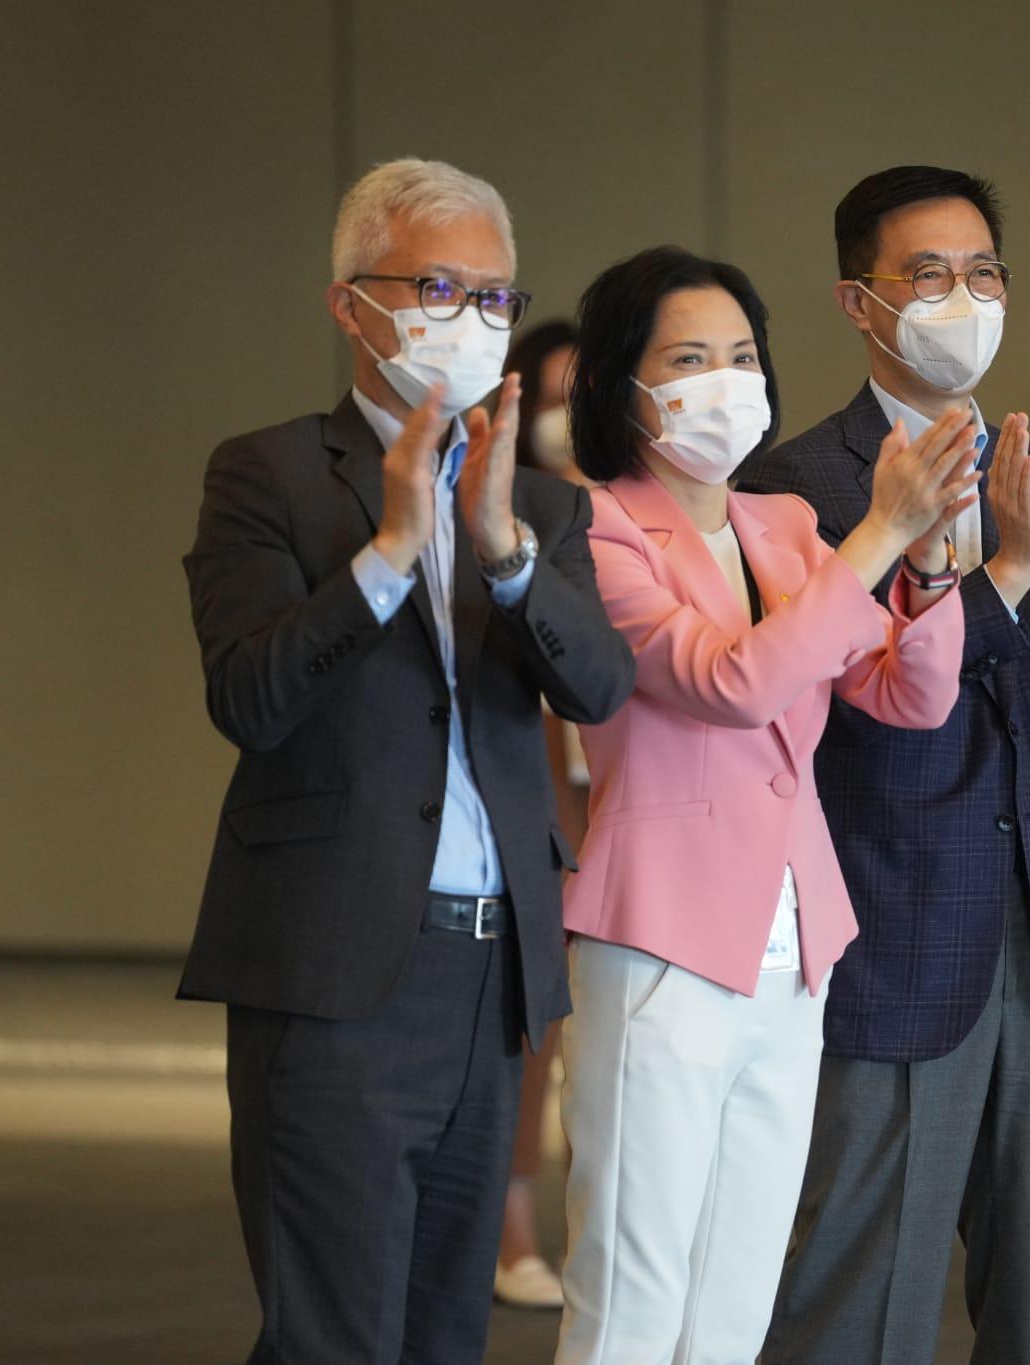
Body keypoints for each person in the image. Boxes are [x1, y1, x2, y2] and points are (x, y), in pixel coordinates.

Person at [178, 158, 635, 1364]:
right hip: (334, 970)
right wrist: (388, 551)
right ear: (350, 303)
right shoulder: (267, 473)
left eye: (494, 298)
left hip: (492, 975)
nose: (473, 320)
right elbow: (252, 697)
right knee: (334, 1331)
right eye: (438, 286)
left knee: (446, 1330)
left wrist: (502, 548)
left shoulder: (540, 501)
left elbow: (599, 688)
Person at [736, 164, 1030, 1365]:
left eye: (980, 273)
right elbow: (872, 712)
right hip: (893, 920)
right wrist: (1000, 581)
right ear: (856, 302)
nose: (961, 297)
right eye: (926, 274)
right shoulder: (794, 491)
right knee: (861, 1297)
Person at [552, 246, 971, 1364]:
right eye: (690, 359)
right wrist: (878, 534)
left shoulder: (781, 525)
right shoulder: (592, 531)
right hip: (660, 942)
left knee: (735, 1301)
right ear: (616, 386)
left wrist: (926, 570)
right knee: (631, 1295)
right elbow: (729, 683)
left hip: (795, 944)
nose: (726, 381)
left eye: (741, 356)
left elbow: (906, 692)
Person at [487, 316, 585, 1312]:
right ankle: (509, 1220)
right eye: (549, 397)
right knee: (532, 1015)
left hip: (631, 792)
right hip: (549, 783)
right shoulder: (508, 513)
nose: (565, 419)